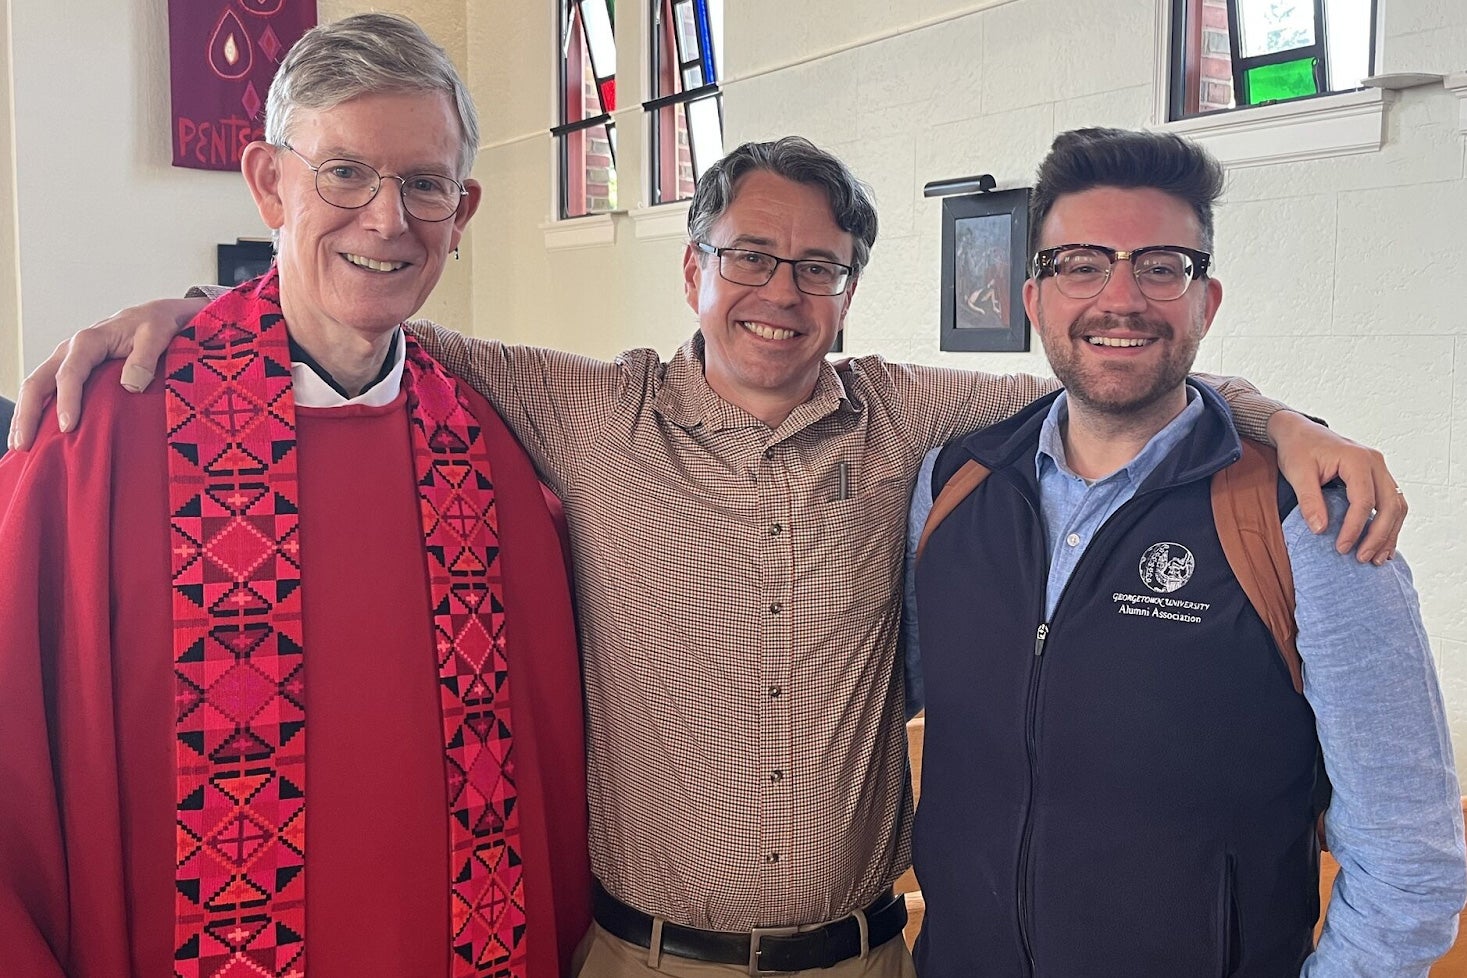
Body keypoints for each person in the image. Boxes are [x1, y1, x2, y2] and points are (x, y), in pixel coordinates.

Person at [5, 135, 1408, 977]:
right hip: (638, 957)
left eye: (815, 268)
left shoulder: (918, 418)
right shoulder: (581, 405)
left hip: (867, 954)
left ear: (851, 290)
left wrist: (1280, 421)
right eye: (746, 256)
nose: (776, 296)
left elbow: (1123, 372)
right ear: (689, 268)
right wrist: (188, 319)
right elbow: (364, 311)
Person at [0, 14, 590, 978]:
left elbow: (552, 780)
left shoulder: (492, 457)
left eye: (424, 184)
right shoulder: (101, 434)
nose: (386, 219)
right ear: (269, 182)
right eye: (344, 173)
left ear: (463, 209)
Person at [908, 127, 1465, 977]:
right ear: (1034, 299)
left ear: (1205, 302)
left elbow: (1408, 857)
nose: (1120, 298)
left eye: (1161, 266)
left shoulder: (1306, 518)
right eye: (1081, 264)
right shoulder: (953, 485)